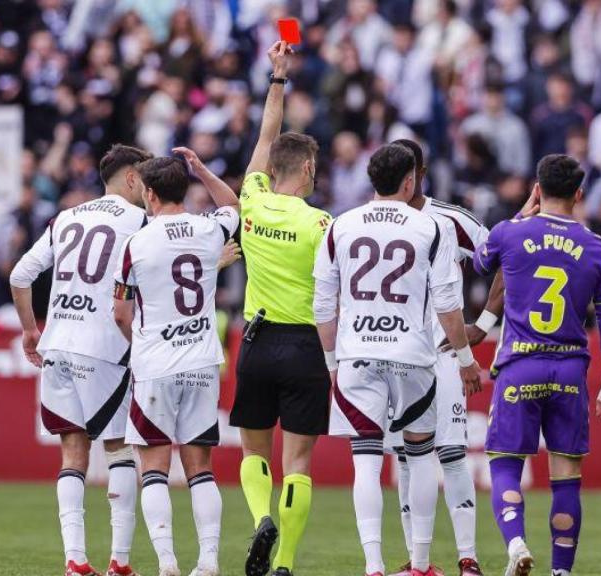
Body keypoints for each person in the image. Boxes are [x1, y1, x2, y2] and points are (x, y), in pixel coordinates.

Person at [313, 143, 482, 576]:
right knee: (421, 454)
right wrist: (464, 357)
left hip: (357, 353)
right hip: (411, 353)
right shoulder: (430, 226)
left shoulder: (341, 224)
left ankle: (373, 565)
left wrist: (332, 362)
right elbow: (448, 303)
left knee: (366, 460)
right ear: (410, 180)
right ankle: (421, 564)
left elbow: (322, 304)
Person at [472, 154, 601, 576]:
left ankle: (517, 542)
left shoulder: (509, 232)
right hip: (570, 372)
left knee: (505, 464)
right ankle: (561, 571)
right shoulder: (596, 246)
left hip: (521, 364)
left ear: (537, 189)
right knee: (566, 476)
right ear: (579, 194)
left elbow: (479, 263)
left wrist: (521, 212)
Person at [9, 143, 153, 576]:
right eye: (144, 180)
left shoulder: (66, 218)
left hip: (58, 342)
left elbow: (19, 275)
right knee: (119, 450)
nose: (149, 190)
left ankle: (75, 560)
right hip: (105, 348)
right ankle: (120, 561)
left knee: (72, 453)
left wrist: (31, 330)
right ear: (131, 178)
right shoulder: (142, 221)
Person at [229, 40, 333, 576]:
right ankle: (287, 562)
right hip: (305, 346)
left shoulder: (250, 196)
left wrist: (277, 78)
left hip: (256, 339)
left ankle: (259, 518)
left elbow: (266, 134)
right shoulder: (320, 225)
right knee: (298, 463)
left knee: (253, 452)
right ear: (309, 167)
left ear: (272, 170)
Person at [112, 152, 241, 576]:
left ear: (148, 193)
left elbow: (120, 312)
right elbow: (234, 207)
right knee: (200, 468)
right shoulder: (208, 230)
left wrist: (141, 344)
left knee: (152, 468)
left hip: (155, 365)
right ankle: (208, 562)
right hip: (202, 362)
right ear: (185, 189)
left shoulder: (137, 243)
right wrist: (203, 169)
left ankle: (167, 561)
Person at [385, 139, 489, 576]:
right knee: (405, 457)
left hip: (442, 352)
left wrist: (484, 324)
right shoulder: (376, 220)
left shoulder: (452, 219)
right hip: (392, 351)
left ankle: (468, 557)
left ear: (418, 175)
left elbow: (503, 261)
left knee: (450, 452)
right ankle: (417, 559)